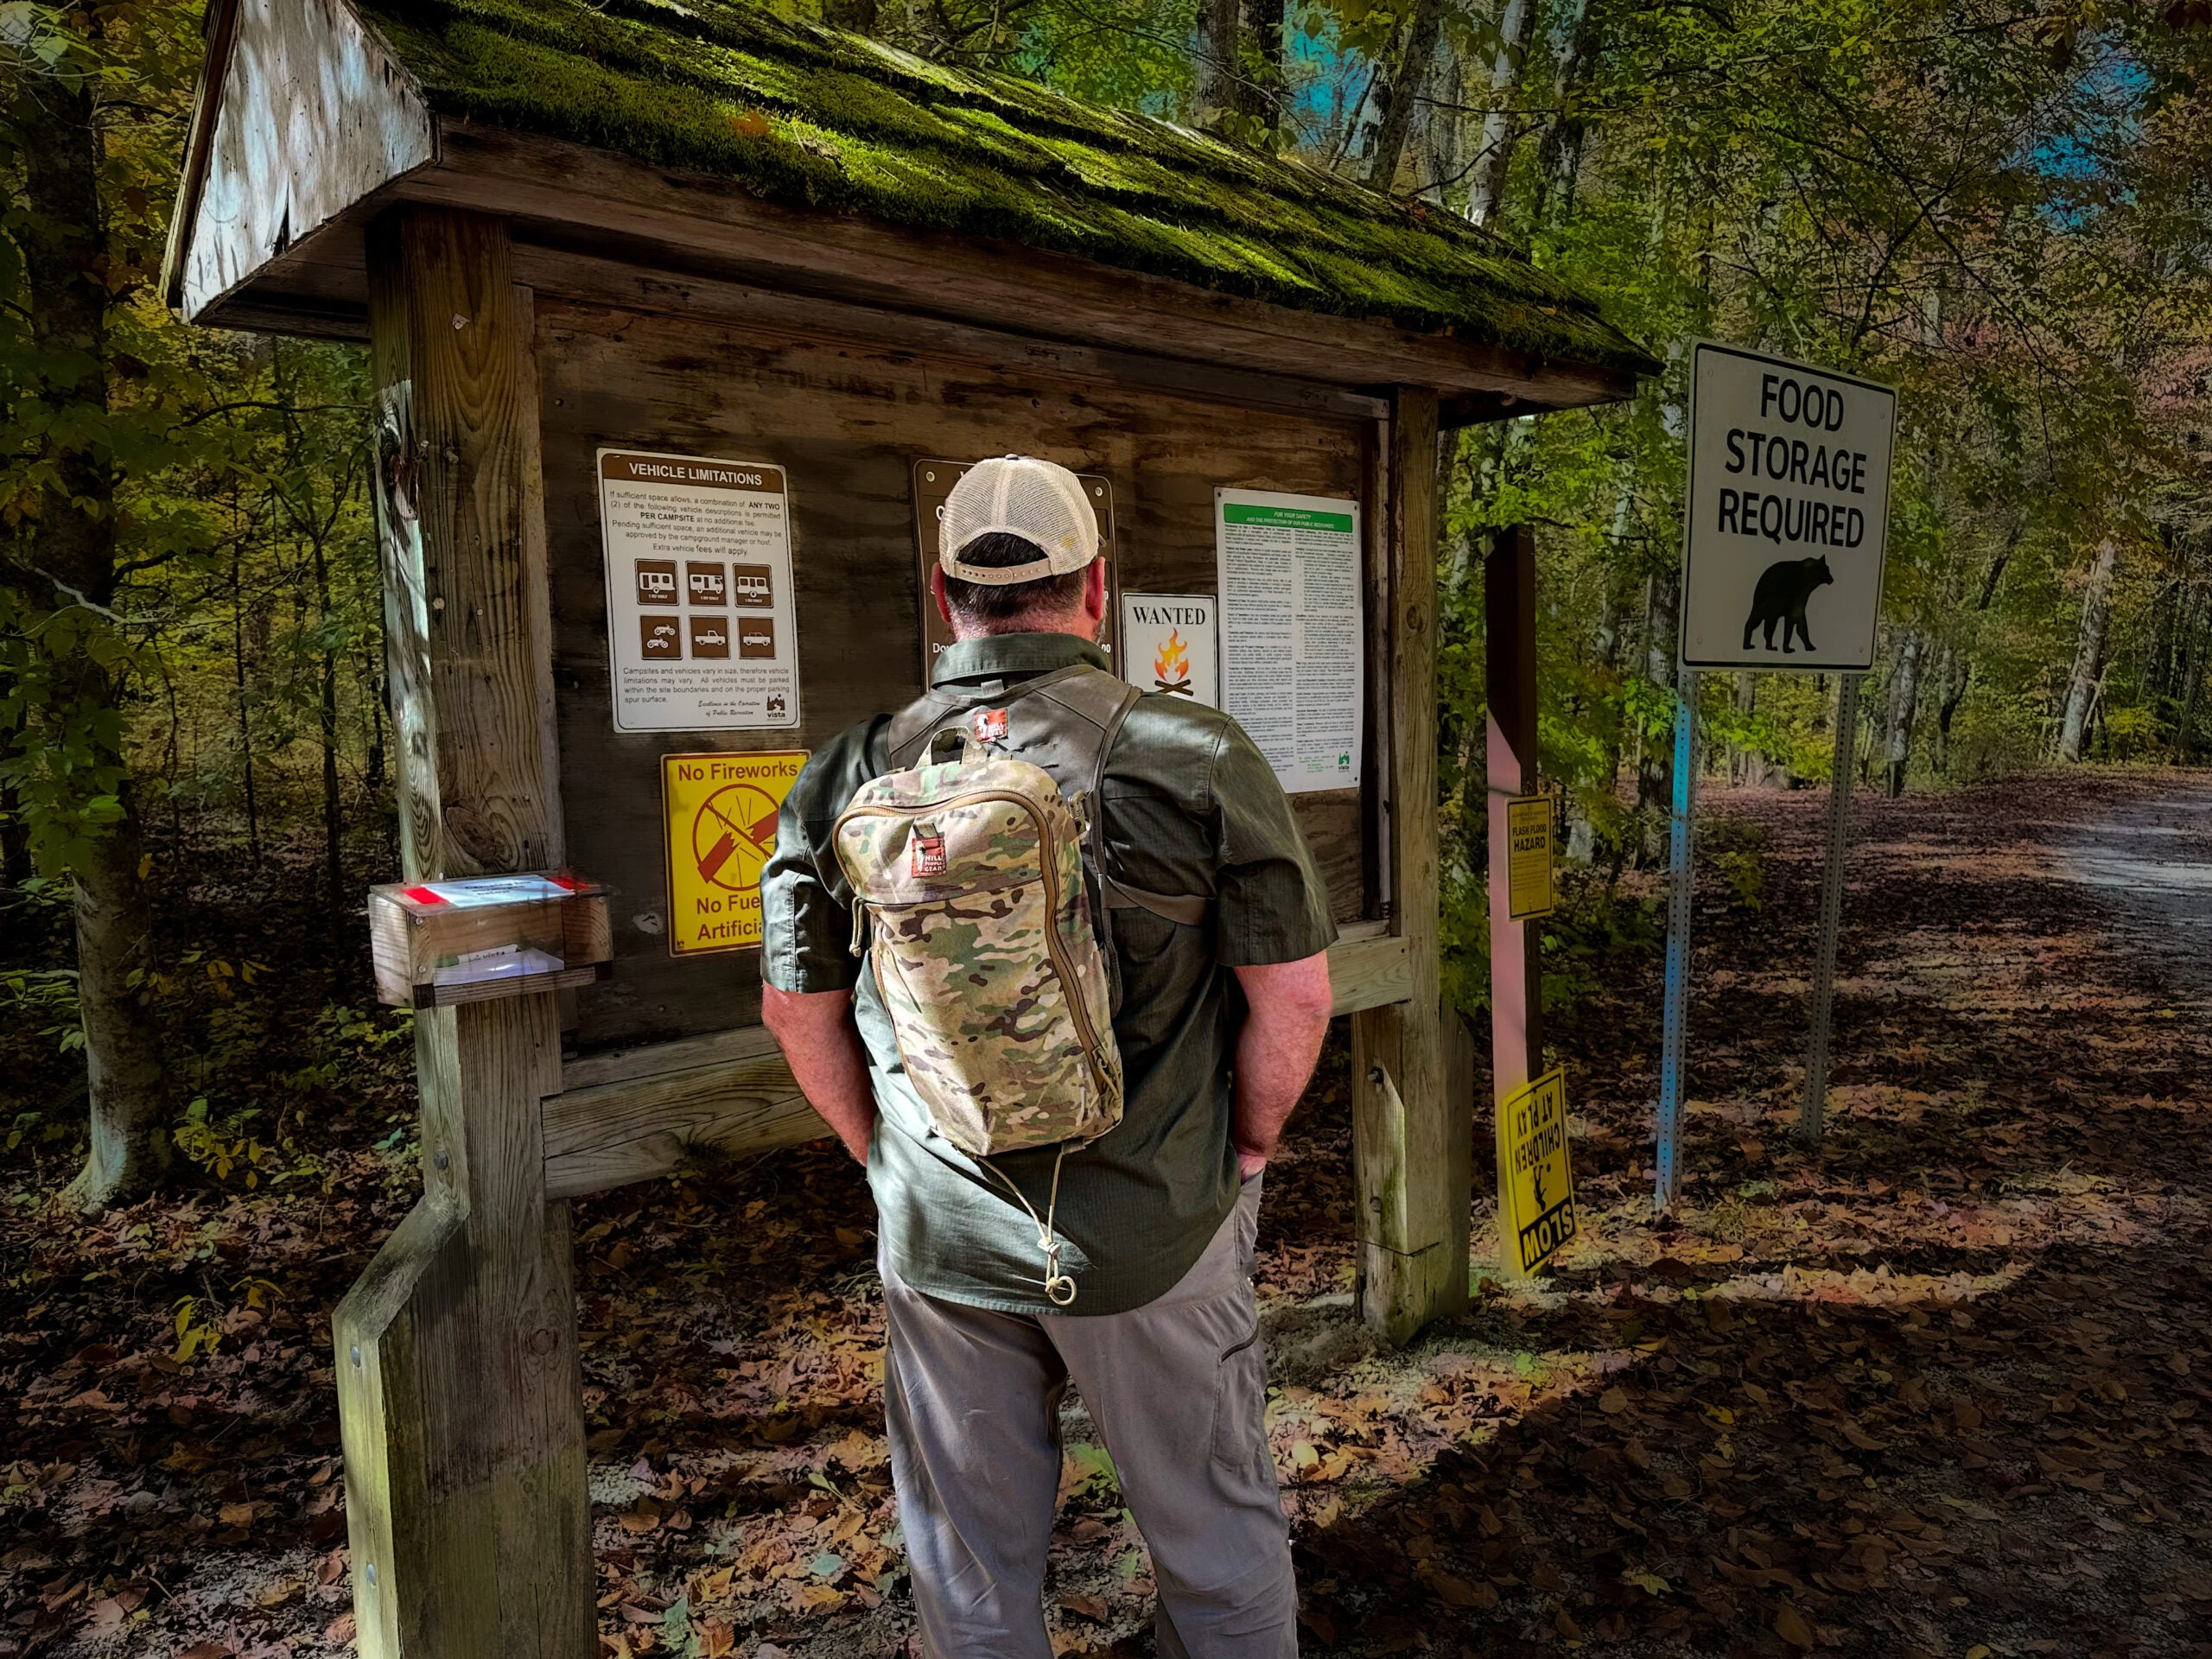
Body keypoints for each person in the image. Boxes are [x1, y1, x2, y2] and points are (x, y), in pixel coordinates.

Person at [760, 454, 1337, 1658]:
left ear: (943, 593)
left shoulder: (845, 774)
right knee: (1219, 1557)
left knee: (970, 1583)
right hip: (1154, 1229)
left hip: (943, 1238)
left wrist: (890, 1161)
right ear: (1099, 591)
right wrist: (1245, 1147)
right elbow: (1293, 998)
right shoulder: (1194, 757)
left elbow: (796, 1011)